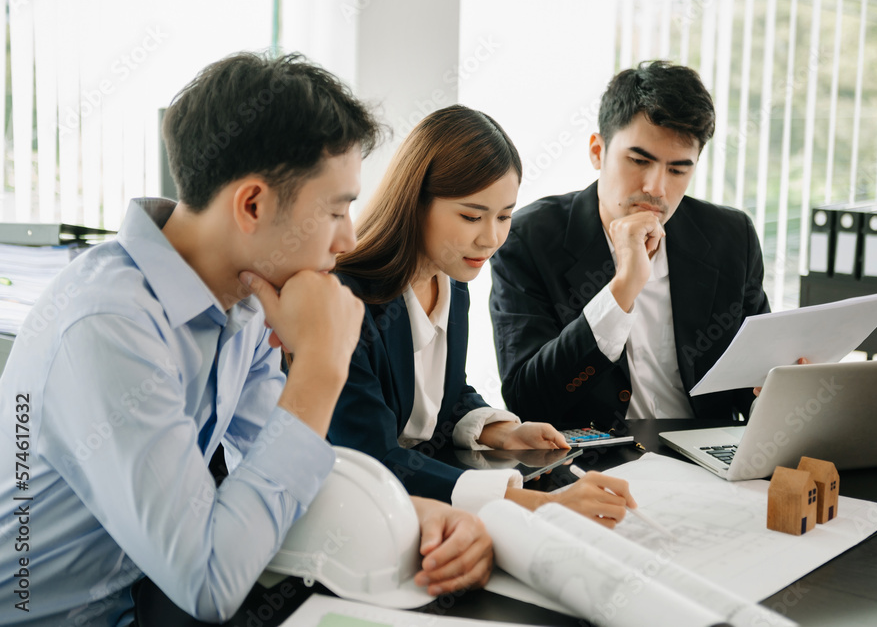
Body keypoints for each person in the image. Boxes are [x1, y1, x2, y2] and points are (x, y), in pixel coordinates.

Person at [0, 53, 491, 626]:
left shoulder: (245, 302)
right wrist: (320, 367)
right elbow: (209, 581)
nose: (349, 239)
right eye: (337, 211)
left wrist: (407, 514)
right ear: (252, 205)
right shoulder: (109, 326)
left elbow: (283, 466)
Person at [329, 105, 635, 526]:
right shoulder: (345, 299)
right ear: (415, 203)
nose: (491, 238)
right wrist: (543, 506)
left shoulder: (452, 279)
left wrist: (500, 431)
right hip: (359, 515)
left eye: (505, 216)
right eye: (471, 216)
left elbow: (441, 394)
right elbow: (373, 458)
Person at [489, 61, 770, 430]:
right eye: (639, 160)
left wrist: (770, 389)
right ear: (597, 151)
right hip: (593, 463)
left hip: (708, 462)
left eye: (678, 170)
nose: (656, 187)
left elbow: (750, 382)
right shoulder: (529, 238)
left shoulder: (732, 237)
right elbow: (530, 399)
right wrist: (621, 291)